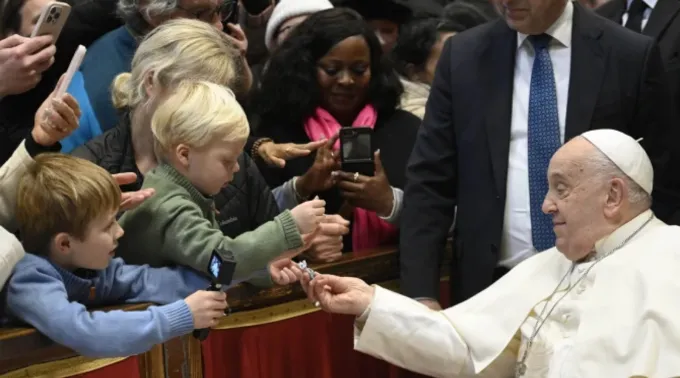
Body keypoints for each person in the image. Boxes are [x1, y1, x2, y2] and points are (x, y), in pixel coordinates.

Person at [303, 129, 680, 377]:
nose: (546, 206)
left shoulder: (670, 259)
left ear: (612, 196)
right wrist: (370, 302)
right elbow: (467, 349)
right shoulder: (550, 263)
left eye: (560, 189)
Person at [399, 0, 680, 309]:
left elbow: (659, 182)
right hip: (490, 291)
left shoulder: (629, 54)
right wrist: (420, 293)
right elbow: (429, 181)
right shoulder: (463, 56)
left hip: (602, 291)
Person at [2, 154, 244, 357]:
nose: (120, 231)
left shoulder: (94, 269)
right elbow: (84, 332)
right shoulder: (29, 280)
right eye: (107, 226)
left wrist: (255, 267)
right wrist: (180, 316)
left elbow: (157, 281)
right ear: (65, 243)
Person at [117, 80, 324, 286]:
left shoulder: (180, 191)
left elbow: (210, 268)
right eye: (227, 160)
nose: (236, 168)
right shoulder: (172, 209)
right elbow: (224, 263)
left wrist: (261, 273)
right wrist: (287, 226)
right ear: (184, 155)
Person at [250, 8, 420, 253]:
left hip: (395, 279)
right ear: (307, 68)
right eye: (331, 70)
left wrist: (389, 203)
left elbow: (443, 217)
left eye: (359, 70)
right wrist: (304, 189)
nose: (346, 80)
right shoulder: (277, 136)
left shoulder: (406, 129)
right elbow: (250, 223)